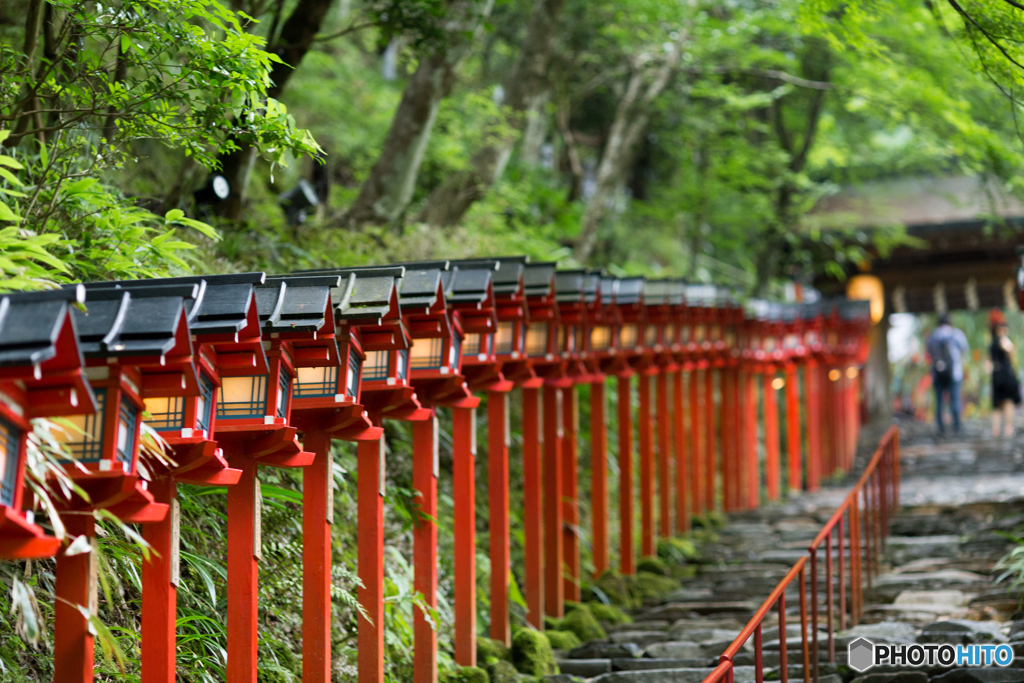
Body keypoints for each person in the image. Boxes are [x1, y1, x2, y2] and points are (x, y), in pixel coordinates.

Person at [926, 313, 969, 435]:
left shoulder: (933, 335)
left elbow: (928, 353)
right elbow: (964, 350)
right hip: (954, 373)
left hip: (937, 374)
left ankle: (940, 428)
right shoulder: (956, 334)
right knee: (954, 400)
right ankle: (957, 427)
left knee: (939, 401)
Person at [988, 308, 1020, 438]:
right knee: (1008, 402)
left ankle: (995, 431)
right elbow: (1011, 350)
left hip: (996, 375)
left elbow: (988, 362)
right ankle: (1008, 429)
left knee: (997, 405)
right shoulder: (1002, 340)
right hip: (1006, 375)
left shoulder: (991, 345)